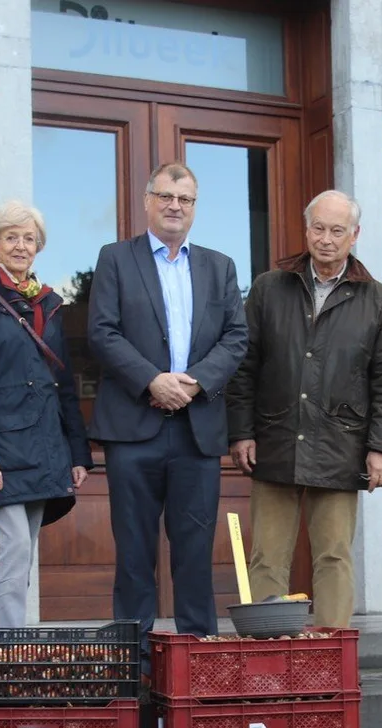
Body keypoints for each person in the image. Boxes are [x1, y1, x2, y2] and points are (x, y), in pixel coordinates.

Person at [87, 162, 249, 649]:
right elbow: (101, 331)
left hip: (196, 430)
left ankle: (198, 654)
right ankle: (132, 661)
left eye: (185, 199)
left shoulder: (219, 266)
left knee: (195, 550)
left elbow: (236, 338)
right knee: (134, 551)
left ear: (195, 207)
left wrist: (195, 382)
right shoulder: (115, 259)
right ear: (147, 201)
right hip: (134, 429)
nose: (175, 206)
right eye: (166, 196)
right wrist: (152, 380)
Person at [228, 191, 382, 628]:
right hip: (275, 439)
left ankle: (329, 659)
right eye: (319, 228)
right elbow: (244, 365)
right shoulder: (270, 287)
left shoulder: (378, 299)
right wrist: (241, 431)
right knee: (266, 556)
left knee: (333, 556)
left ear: (354, 235)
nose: (326, 239)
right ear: (307, 230)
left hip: (340, 444)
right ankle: (266, 662)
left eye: (337, 230)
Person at [0, 200, 92, 627]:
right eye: (12, 236)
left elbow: (64, 386)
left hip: (44, 447)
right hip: (2, 451)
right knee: (13, 548)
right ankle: (8, 651)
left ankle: (17, 644)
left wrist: (77, 453)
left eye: (29, 238)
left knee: (25, 549)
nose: (21, 245)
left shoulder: (49, 305)